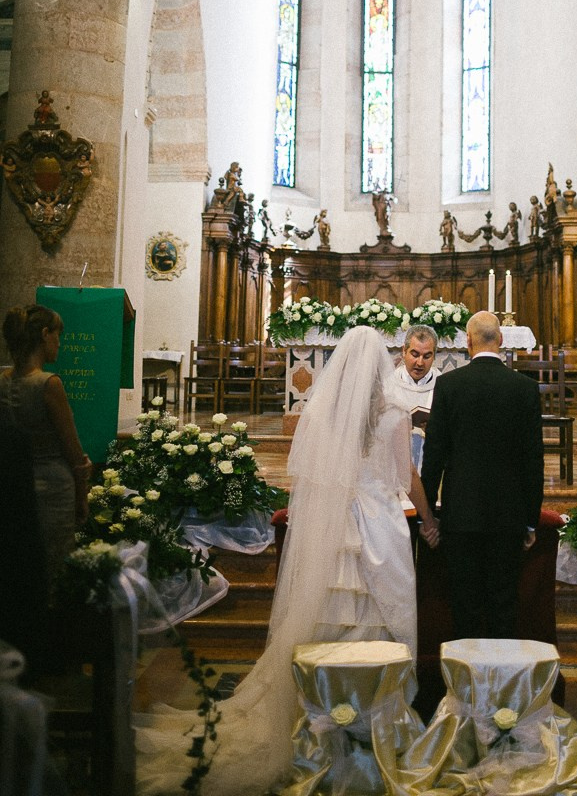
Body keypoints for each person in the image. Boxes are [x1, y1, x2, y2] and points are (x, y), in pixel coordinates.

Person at [137, 326, 439, 796]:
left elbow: (311, 477)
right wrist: (429, 519)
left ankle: (314, 716)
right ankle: (374, 721)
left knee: (325, 612)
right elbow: (407, 475)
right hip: (379, 525)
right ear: (384, 363)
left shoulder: (322, 414)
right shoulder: (395, 414)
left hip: (333, 526)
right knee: (374, 617)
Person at [421, 310, 544, 639]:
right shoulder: (525, 388)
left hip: (462, 514)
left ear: (467, 341)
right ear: (501, 340)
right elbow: (533, 460)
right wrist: (531, 520)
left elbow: (433, 455)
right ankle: (502, 686)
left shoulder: (448, 386)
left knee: (465, 604)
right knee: (504, 603)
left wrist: (428, 515)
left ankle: (466, 686)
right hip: (509, 514)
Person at [0, 305, 91, 598]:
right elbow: (73, 451)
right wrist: (82, 494)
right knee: (55, 568)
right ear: (44, 334)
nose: (60, 342)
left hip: (14, 482)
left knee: (20, 567)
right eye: (57, 335)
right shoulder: (49, 384)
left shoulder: (2, 381)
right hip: (53, 485)